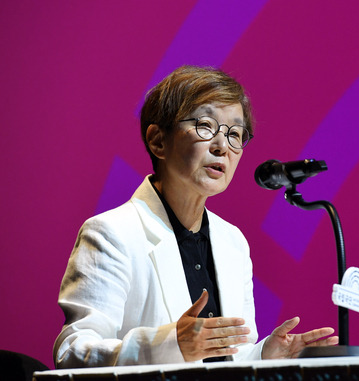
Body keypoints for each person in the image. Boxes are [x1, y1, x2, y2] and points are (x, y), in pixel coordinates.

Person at [53, 65, 338, 368]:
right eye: (205, 125)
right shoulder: (112, 233)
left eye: (235, 134)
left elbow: (227, 359)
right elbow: (73, 351)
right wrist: (169, 344)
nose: (222, 147)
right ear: (158, 141)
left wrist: (265, 355)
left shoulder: (233, 242)